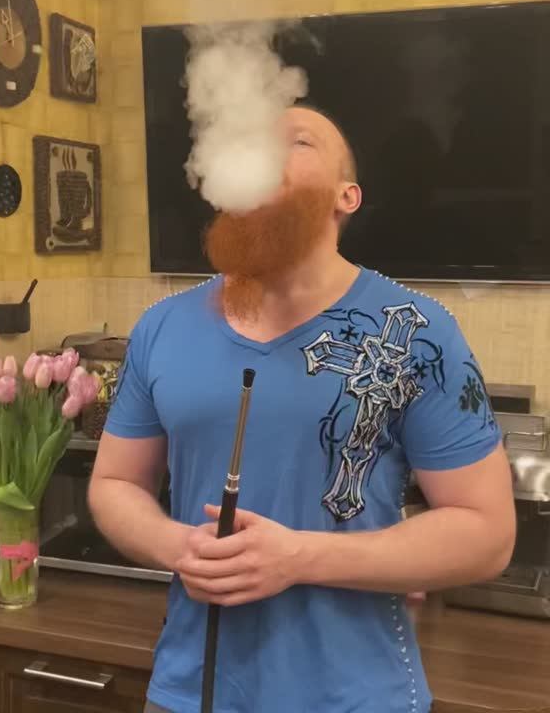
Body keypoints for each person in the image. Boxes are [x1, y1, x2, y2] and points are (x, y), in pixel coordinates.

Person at [89, 105, 515, 713]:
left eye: (298, 142)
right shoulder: (162, 327)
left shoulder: (419, 332)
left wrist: (300, 558)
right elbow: (114, 484)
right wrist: (176, 546)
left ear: (348, 196)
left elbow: (487, 534)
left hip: (360, 699)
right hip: (188, 693)